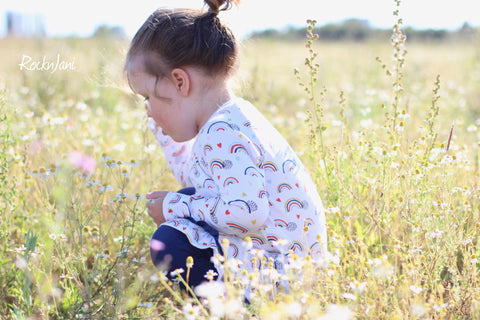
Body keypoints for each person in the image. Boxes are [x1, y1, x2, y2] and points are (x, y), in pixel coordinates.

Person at [125, 0, 327, 289]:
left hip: (277, 278)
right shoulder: (232, 119)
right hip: (287, 267)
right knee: (190, 196)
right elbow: (205, 185)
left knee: (170, 242)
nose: (148, 110)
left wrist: (174, 205)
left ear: (180, 82)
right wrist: (167, 140)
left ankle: (232, 306)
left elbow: (247, 212)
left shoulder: (222, 132)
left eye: (148, 97)